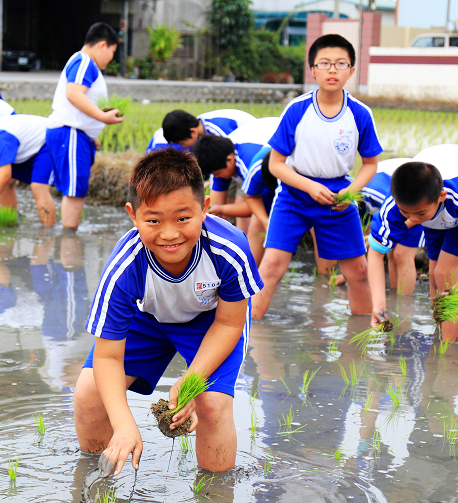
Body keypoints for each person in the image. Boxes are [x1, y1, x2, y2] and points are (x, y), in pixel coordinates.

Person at [74, 148, 263, 475]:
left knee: (212, 405)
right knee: (90, 395)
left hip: (211, 322)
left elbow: (230, 324)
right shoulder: (125, 266)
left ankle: (213, 502)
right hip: (147, 320)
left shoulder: (230, 249)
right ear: (133, 216)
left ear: (204, 208)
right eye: (153, 220)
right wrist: (124, 425)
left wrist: (191, 379)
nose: (170, 233)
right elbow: (107, 357)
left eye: (182, 218)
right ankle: (96, 479)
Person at [251, 34, 383, 320]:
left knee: (358, 272)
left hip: (339, 198)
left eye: (340, 63)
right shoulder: (297, 110)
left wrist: (350, 194)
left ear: (351, 70)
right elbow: (276, 164)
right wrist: (310, 187)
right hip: (294, 195)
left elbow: (370, 163)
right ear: (313, 70)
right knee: (272, 266)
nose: (332, 70)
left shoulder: (360, 114)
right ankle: (244, 335)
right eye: (324, 63)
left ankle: (359, 342)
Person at [368, 145, 458, 342]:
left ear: (441, 197)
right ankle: (438, 340)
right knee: (434, 276)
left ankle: (449, 353)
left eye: (419, 214)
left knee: (446, 276)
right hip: (436, 211)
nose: (413, 219)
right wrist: (378, 304)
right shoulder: (395, 205)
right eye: (406, 213)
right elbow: (376, 253)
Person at [46, 22, 123, 230]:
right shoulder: (84, 61)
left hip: (75, 134)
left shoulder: (84, 63)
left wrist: (92, 132)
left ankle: (67, 244)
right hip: (70, 133)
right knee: (74, 191)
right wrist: (102, 117)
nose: (111, 58)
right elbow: (73, 93)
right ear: (103, 45)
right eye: (113, 52)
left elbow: (79, 100)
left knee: (74, 190)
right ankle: (69, 248)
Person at [192, 117, 279, 252]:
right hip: (259, 141)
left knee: (257, 226)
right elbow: (214, 210)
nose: (218, 177)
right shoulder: (219, 161)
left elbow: (253, 206)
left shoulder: (250, 164)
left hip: (276, 161)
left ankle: (250, 271)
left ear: (229, 160)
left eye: (218, 173)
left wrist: (221, 209)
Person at [360, 158, 423, 296]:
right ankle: (395, 300)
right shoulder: (361, 204)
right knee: (390, 252)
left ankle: (405, 305)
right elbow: (371, 239)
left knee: (402, 254)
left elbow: (411, 213)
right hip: (402, 198)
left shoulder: (375, 194)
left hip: (417, 202)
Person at [162, 109, 257, 148]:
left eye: (182, 143)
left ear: (193, 132)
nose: (183, 146)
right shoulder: (199, 125)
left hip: (255, 144)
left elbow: (230, 155)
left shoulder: (217, 130)